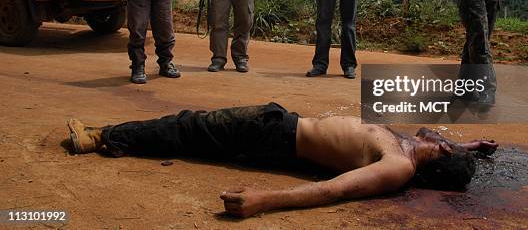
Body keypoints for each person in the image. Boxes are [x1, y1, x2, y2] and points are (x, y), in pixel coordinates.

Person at [67, 102, 498, 218]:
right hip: (280, 123)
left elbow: (334, 190)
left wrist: (265, 199)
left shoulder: (399, 165)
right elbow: (439, 142)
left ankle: (101, 137)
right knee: (193, 130)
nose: (443, 136)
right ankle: (110, 136)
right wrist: (475, 147)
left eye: (449, 142)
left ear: (442, 151)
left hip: (273, 137)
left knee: (189, 128)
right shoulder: (407, 144)